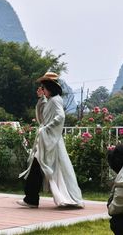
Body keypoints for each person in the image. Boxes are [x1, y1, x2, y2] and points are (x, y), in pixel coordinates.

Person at [17, 72, 84, 209]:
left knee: (39, 167)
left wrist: (46, 128)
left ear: (49, 88)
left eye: (44, 88)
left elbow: (60, 117)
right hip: (47, 140)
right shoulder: (52, 100)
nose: (42, 90)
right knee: (42, 168)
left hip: (50, 141)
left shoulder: (55, 100)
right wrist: (41, 99)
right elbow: (42, 117)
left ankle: (32, 199)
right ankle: (32, 198)